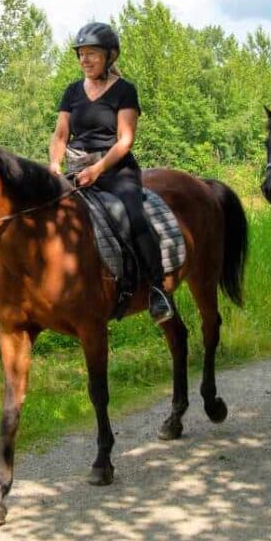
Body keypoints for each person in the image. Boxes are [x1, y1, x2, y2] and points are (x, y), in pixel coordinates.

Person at [49, 21, 173, 322]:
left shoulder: (124, 91)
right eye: (81, 54)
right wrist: (54, 165)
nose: (85, 60)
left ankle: (157, 289)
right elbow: (60, 135)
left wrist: (98, 169)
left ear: (110, 56)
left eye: (92, 53)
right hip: (76, 169)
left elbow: (125, 140)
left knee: (134, 215)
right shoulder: (72, 91)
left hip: (116, 171)